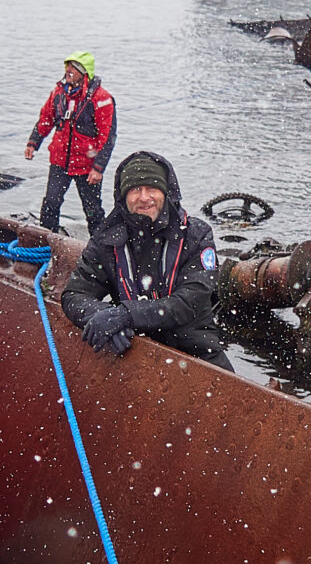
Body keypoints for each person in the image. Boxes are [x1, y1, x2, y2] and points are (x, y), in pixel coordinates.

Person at [59, 151, 231, 370]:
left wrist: (128, 314)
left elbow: (190, 300)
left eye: (152, 189)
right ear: (123, 196)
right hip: (132, 346)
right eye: (135, 190)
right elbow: (75, 294)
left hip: (195, 349)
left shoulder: (196, 235)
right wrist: (102, 316)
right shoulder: (107, 238)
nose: (144, 197)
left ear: (166, 192)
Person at [24, 50, 116, 234]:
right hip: (60, 162)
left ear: (85, 73)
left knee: (93, 211)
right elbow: (46, 118)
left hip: (87, 166)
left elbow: (107, 137)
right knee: (51, 202)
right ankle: (44, 244)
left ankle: (100, 249)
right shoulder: (59, 93)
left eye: (74, 68)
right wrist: (33, 142)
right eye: (68, 67)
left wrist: (98, 168)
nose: (69, 71)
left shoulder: (101, 98)